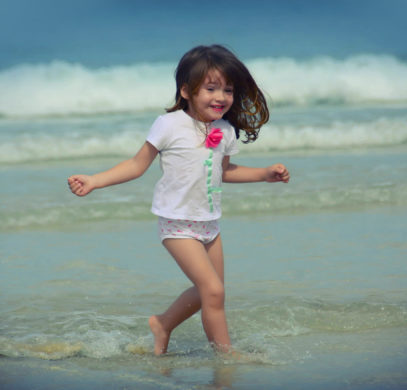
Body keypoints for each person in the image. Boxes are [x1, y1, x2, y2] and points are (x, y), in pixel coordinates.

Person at [68, 44, 289, 356]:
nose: (221, 97)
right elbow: (136, 165)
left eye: (227, 89)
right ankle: (226, 355)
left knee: (212, 293)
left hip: (210, 223)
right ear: (187, 91)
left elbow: (224, 171)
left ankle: (162, 323)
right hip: (177, 223)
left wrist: (264, 174)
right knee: (212, 290)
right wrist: (94, 180)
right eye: (211, 88)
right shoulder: (168, 125)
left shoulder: (224, 130)